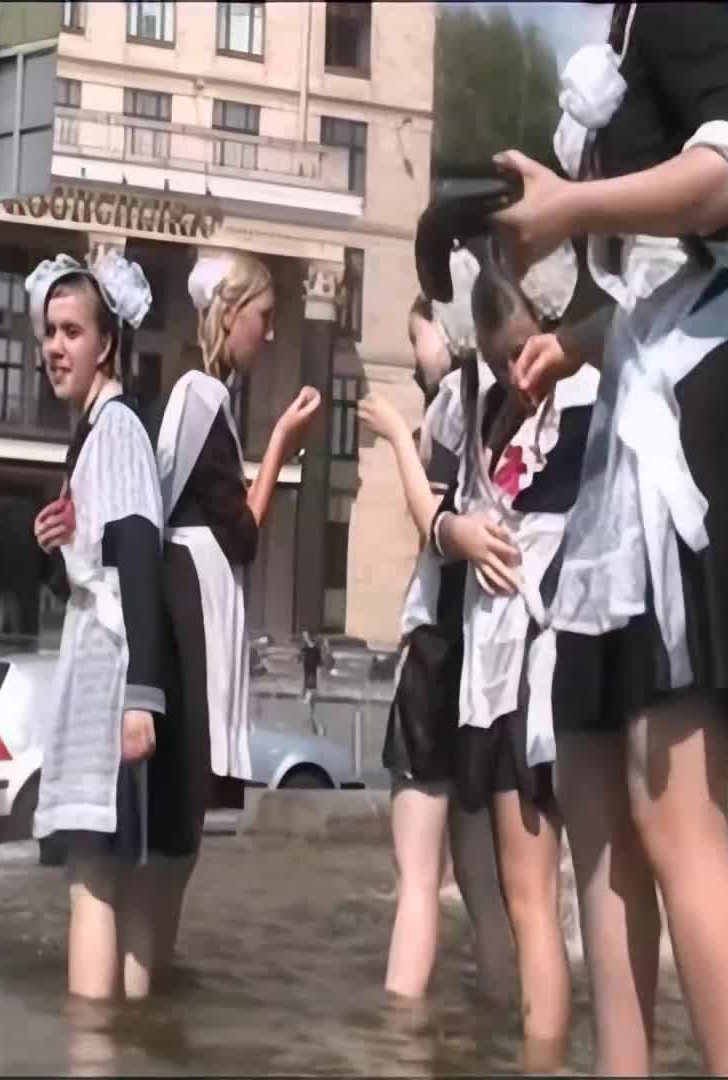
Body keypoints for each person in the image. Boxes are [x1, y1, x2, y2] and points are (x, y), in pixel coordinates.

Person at [490, 4, 728, 1073]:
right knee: (594, 780)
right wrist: (577, 342)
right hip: (639, 413)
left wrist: (571, 205)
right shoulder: (631, 20)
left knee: (674, 806)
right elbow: (664, 266)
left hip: (695, 421)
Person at [434, 240, 592, 1066]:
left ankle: (550, 1055)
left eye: (524, 352)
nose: (516, 375)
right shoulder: (493, 407)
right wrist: (453, 531)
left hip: (549, 672)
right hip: (495, 674)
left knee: (540, 896)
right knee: (522, 893)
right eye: (501, 362)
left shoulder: (591, 400)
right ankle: (539, 1053)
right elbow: (443, 497)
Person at [147, 252, 322, 970]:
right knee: (182, 800)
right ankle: (149, 960)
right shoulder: (198, 396)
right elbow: (241, 532)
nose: (270, 334)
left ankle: (153, 963)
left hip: (199, 590)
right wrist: (280, 443)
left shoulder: (203, 397)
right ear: (229, 313)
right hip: (194, 594)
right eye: (263, 317)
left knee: (185, 805)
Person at [361, 292, 518, 1003]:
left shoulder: (460, 394)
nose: (414, 353)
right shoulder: (512, 397)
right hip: (488, 658)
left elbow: (432, 520)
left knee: (419, 881)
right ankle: (507, 1019)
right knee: (485, 884)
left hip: (439, 650)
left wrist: (398, 434)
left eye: (417, 335)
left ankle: (401, 1037)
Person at [23, 250, 169, 1001]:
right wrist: (54, 548)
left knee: (92, 874)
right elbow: (99, 560)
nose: (55, 347)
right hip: (99, 661)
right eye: (49, 332)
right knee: (111, 870)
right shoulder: (98, 432)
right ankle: (127, 1032)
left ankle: (91, 1044)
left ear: (106, 343)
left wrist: (142, 695)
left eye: (72, 332)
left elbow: (137, 555)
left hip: (109, 670)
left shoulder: (114, 429)